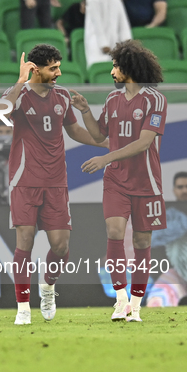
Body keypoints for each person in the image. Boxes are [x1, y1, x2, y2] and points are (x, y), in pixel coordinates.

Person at [0, 44, 107, 325]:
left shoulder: (61, 96)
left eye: (59, 66)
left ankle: (47, 286)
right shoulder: (20, 95)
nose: (59, 72)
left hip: (56, 181)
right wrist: (20, 81)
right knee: (24, 241)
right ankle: (23, 308)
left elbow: (75, 131)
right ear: (36, 69)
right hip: (24, 180)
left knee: (60, 247)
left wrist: (111, 145)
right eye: (53, 68)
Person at [70, 39, 167, 322]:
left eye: (115, 66)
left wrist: (106, 158)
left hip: (147, 182)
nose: (112, 71)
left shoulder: (155, 100)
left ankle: (136, 306)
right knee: (114, 233)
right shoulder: (112, 100)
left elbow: (144, 142)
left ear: (129, 68)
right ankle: (120, 300)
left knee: (140, 241)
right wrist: (85, 110)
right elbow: (101, 136)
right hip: (116, 180)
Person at [146, 171, 187, 307]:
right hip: (180, 273)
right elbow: (152, 238)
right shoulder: (168, 214)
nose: (184, 190)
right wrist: (181, 224)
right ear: (174, 190)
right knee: (156, 302)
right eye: (180, 187)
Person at [84, 0, 132, 69]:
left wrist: (127, 40)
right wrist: (104, 45)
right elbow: (97, 23)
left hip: (115, 44)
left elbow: (123, 21)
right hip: (97, 46)